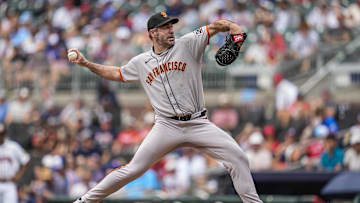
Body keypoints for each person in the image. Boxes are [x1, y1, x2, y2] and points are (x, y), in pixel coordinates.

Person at [70, 12, 262, 203]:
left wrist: (234, 28)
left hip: (198, 122)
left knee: (238, 158)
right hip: (166, 126)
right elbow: (116, 73)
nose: (171, 30)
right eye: (165, 27)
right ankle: (85, 201)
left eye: (171, 26)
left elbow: (215, 27)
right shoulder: (141, 62)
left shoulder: (188, 43)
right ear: (153, 33)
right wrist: (86, 63)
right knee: (133, 169)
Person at [0, 122, 30, 203]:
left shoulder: (13, 146)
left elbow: (26, 160)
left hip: (9, 183)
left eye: (1, 133)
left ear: (5, 133)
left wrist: (18, 175)